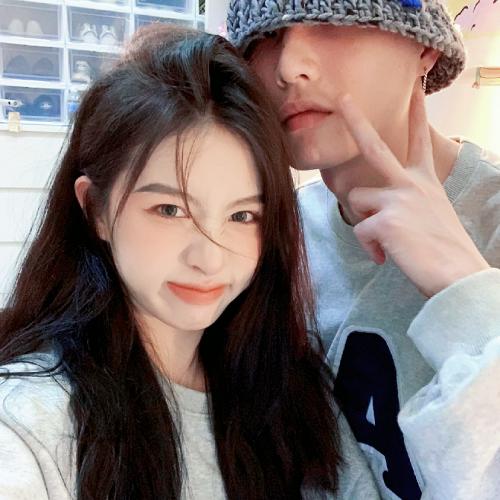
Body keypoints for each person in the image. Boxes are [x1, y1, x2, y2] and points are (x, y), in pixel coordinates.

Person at [0, 25, 380, 500]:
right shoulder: (31, 422)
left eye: (242, 216)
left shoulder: (292, 392)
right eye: (170, 210)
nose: (209, 258)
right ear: (95, 208)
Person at [226, 1, 500, 499]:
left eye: (333, 19)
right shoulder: (269, 237)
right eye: (265, 38)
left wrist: (463, 287)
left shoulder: (491, 220)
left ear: (424, 48)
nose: (289, 67)